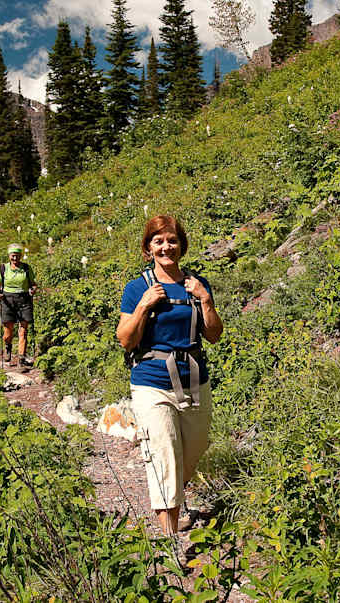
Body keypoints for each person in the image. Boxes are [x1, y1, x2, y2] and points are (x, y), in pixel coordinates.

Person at [116, 215, 223, 536]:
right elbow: (125, 339)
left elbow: (214, 335)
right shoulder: (137, 289)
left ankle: (177, 492)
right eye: (159, 241)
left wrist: (204, 300)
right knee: (163, 456)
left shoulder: (196, 285)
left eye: (172, 240)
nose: (166, 247)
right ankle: (169, 538)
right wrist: (143, 307)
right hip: (151, 383)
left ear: (181, 245)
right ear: (148, 248)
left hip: (193, 379)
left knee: (196, 446)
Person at [0, 243, 38, 366]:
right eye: (13, 256)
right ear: (9, 256)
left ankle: (21, 357)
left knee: (23, 331)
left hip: (24, 299)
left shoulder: (26, 268)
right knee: (8, 332)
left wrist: (33, 290)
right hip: (8, 300)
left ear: (21, 256)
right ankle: (8, 346)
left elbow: (33, 284)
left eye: (18, 256)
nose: (15, 258)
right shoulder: (3, 268)